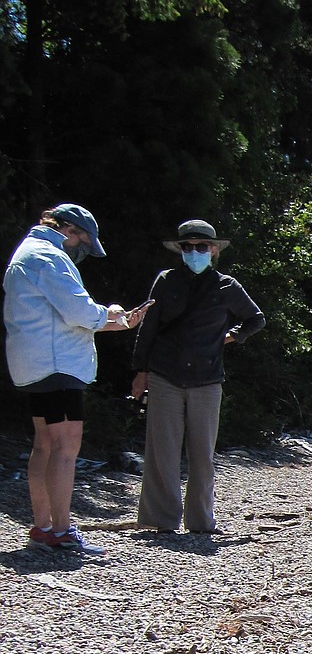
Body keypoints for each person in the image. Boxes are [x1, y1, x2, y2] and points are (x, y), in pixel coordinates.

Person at [3, 204, 149, 557]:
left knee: (44, 445)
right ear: (68, 230)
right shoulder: (49, 257)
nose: (81, 249)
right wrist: (112, 313)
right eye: (82, 240)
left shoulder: (26, 252)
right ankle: (64, 531)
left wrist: (118, 322)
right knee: (66, 449)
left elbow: (64, 316)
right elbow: (80, 313)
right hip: (58, 369)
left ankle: (43, 527)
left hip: (34, 366)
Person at [131, 219, 264, 535]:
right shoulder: (166, 281)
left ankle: (201, 522)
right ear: (180, 250)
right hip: (165, 374)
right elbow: (147, 329)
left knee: (202, 454)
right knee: (162, 449)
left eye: (201, 247)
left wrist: (230, 337)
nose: (194, 252)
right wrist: (140, 372)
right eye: (187, 247)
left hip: (207, 379)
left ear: (214, 250)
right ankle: (160, 520)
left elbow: (255, 319)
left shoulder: (227, 286)